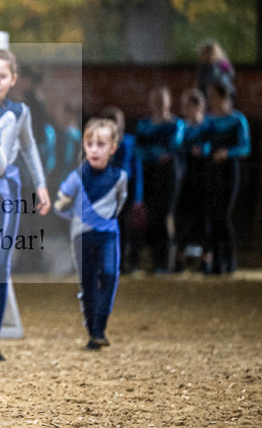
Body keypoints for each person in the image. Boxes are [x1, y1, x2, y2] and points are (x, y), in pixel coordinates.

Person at [0, 48, 51, 364]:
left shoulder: (19, 112)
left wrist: (41, 185)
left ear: (13, 79)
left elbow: (29, 149)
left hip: (5, 190)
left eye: (2, 77)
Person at [54, 118, 128, 350]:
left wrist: (104, 220)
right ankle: (93, 332)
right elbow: (60, 204)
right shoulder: (76, 177)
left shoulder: (120, 177)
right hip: (82, 237)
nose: (94, 149)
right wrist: (75, 218)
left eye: (101, 144)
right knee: (88, 284)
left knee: (109, 274)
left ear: (113, 148)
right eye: (89, 144)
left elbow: (119, 203)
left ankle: (100, 327)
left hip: (108, 235)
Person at [195, 80, 251, 274]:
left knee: (224, 216)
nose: (210, 100)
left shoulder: (237, 119)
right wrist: (200, 149)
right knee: (212, 215)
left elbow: (245, 147)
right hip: (212, 170)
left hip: (229, 171)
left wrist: (227, 153)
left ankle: (229, 259)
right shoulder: (209, 121)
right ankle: (216, 261)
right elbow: (203, 142)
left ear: (223, 97)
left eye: (213, 96)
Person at [135, 86, 183, 274]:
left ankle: (166, 262)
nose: (158, 103)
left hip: (168, 175)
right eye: (155, 99)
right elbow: (139, 150)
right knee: (152, 216)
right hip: (149, 175)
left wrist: (151, 152)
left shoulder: (176, 124)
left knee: (164, 215)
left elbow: (172, 146)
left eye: (162, 99)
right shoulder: (143, 124)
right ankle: (154, 261)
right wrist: (156, 153)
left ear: (169, 101)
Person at [100, 106, 143, 274]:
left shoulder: (129, 142)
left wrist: (138, 197)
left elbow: (136, 170)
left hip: (126, 191)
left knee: (125, 228)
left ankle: (127, 263)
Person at [175, 88, 209, 272]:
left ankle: (206, 259)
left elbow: (210, 146)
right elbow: (177, 146)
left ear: (197, 106)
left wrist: (202, 150)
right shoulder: (183, 128)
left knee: (203, 217)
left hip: (204, 177)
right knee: (183, 217)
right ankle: (180, 258)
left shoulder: (207, 126)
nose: (184, 110)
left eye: (188, 106)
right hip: (185, 177)